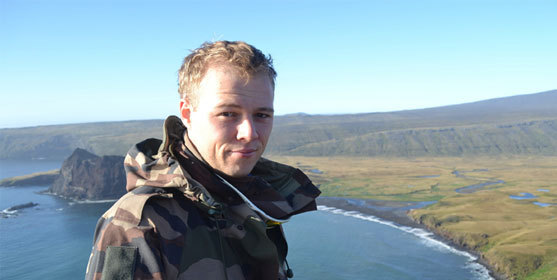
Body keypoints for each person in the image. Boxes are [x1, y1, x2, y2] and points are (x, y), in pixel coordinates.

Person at [85, 41, 321, 280]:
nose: (249, 133)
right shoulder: (137, 226)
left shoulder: (252, 196)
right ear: (187, 114)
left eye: (261, 115)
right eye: (228, 114)